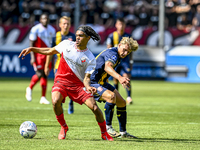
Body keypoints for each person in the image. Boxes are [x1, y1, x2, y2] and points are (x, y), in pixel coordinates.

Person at [19, 25, 113, 141]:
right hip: (61, 81)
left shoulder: (90, 58)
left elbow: (86, 78)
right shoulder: (66, 44)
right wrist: (32, 49)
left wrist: (88, 87)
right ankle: (63, 127)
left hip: (78, 85)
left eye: (81, 36)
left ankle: (104, 133)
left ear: (88, 38)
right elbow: (50, 50)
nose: (77, 38)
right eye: (77, 35)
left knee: (94, 107)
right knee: (55, 101)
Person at [90, 37, 139, 138]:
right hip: (92, 82)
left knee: (121, 102)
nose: (125, 53)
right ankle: (108, 128)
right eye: (124, 50)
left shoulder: (117, 54)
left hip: (101, 82)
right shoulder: (113, 54)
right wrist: (120, 78)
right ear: (119, 45)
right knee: (111, 96)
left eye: (128, 52)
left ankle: (123, 133)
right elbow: (107, 67)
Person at [44, 16, 76, 114]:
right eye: (64, 23)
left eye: (67, 24)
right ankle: (59, 106)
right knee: (59, 86)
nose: (66, 25)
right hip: (58, 66)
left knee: (71, 86)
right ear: (60, 25)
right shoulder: (55, 37)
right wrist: (46, 65)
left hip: (70, 67)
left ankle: (71, 102)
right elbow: (50, 52)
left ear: (70, 25)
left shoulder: (73, 37)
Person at [25, 13, 56, 104]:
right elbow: (31, 44)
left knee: (45, 74)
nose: (45, 20)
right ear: (40, 20)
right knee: (39, 73)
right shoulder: (35, 29)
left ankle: (43, 97)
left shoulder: (52, 30)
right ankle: (29, 88)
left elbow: (53, 45)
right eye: (43, 18)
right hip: (38, 55)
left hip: (48, 55)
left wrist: (53, 58)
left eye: (46, 18)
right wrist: (32, 57)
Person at [106, 17, 133, 105]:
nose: (121, 26)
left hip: (125, 61)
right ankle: (117, 96)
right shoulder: (111, 36)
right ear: (116, 25)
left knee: (126, 77)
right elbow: (109, 49)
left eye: (122, 24)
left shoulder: (128, 37)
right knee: (116, 79)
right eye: (119, 24)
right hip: (115, 61)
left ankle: (129, 97)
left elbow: (131, 51)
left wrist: (131, 61)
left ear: (125, 25)